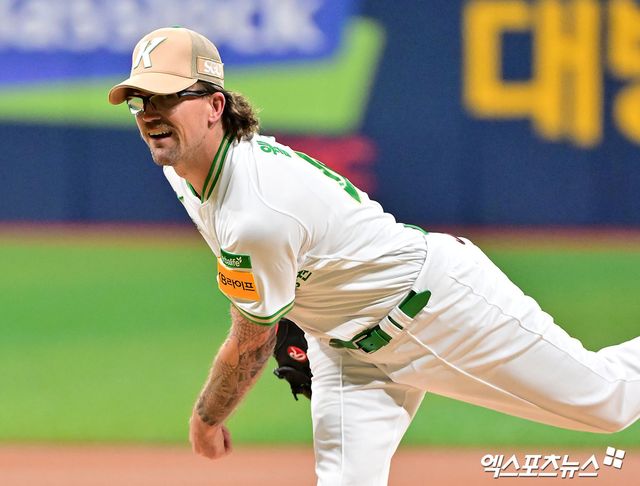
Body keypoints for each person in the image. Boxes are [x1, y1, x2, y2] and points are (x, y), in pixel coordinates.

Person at [108, 27, 640, 486]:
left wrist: (207, 417)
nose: (150, 114)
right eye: (141, 101)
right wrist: (297, 308)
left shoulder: (256, 210)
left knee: (608, 401)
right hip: (346, 350)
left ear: (215, 107)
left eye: (167, 97)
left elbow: (251, 343)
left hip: (436, 308)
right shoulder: (186, 166)